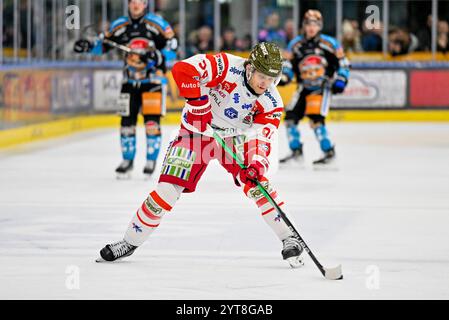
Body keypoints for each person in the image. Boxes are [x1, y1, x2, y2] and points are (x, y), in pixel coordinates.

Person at [96, 42, 305, 268]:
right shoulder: (225, 66)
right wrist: (198, 103)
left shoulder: (271, 102)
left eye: (271, 78)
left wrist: (256, 164)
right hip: (195, 133)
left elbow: (262, 138)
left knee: (258, 184)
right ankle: (129, 241)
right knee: (167, 189)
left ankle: (289, 236)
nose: (266, 83)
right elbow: (182, 69)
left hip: (233, 139)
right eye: (262, 76)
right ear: (249, 68)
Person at [74, 0, 177, 178]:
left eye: (140, 1)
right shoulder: (119, 25)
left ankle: (151, 161)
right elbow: (104, 44)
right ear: (128, 4)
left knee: (152, 123)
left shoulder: (158, 24)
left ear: (145, 4)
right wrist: (88, 47)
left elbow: (173, 47)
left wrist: (157, 55)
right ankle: (127, 160)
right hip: (128, 81)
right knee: (126, 123)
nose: (136, 4)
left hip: (153, 81)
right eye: (133, 1)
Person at [279, 9, 350, 166]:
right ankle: (296, 151)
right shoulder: (295, 44)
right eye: (308, 24)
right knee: (290, 118)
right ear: (304, 25)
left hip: (322, 86)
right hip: (303, 87)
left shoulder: (330, 43)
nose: (312, 27)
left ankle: (328, 152)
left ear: (320, 26)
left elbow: (343, 62)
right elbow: (287, 63)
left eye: (315, 24)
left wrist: (342, 78)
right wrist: (285, 76)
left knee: (316, 120)